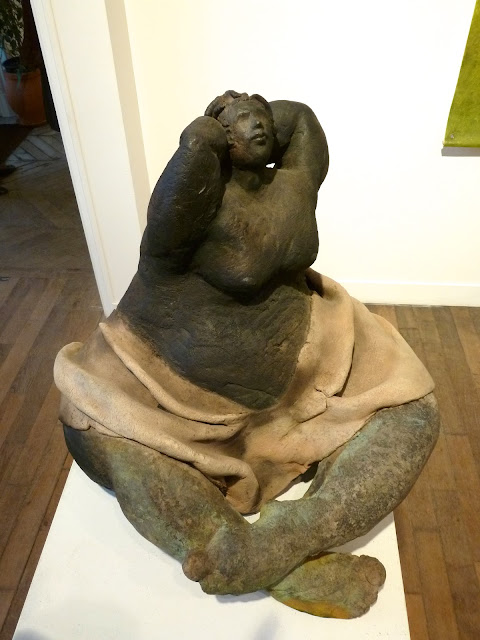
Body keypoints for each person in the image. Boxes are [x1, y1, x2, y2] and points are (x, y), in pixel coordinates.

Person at [55, 91, 438, 617]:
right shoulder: (190, 209)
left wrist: (251, 116)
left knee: (415, 413)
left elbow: (302, 122)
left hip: (309, 370)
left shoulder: (292, 184)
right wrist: (207, 137)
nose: (256, 126)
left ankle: (292, 535)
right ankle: (247, 552)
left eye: (259, 117)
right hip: (169, 393)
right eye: (239, 122)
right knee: (99, 436)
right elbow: (181, 185)